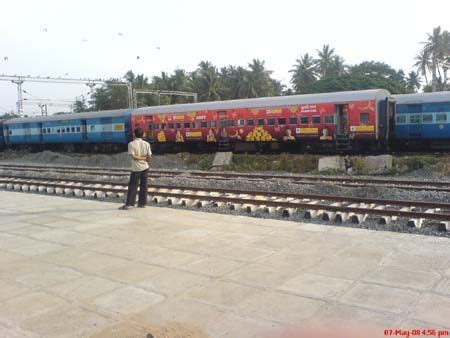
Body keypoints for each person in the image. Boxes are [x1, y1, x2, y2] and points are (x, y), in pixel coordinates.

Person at [119, 127, 152, 210]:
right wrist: (145, 159)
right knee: (144, 186)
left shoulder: (131, 144)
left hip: (136, 168)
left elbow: (134, 157)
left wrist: (141, 158)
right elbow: (149, 157)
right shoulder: (147, 144)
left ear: (134, 134)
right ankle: (142, 203)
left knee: (133, 186)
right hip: (145, 167)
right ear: (143, 135)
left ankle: (129, 204)